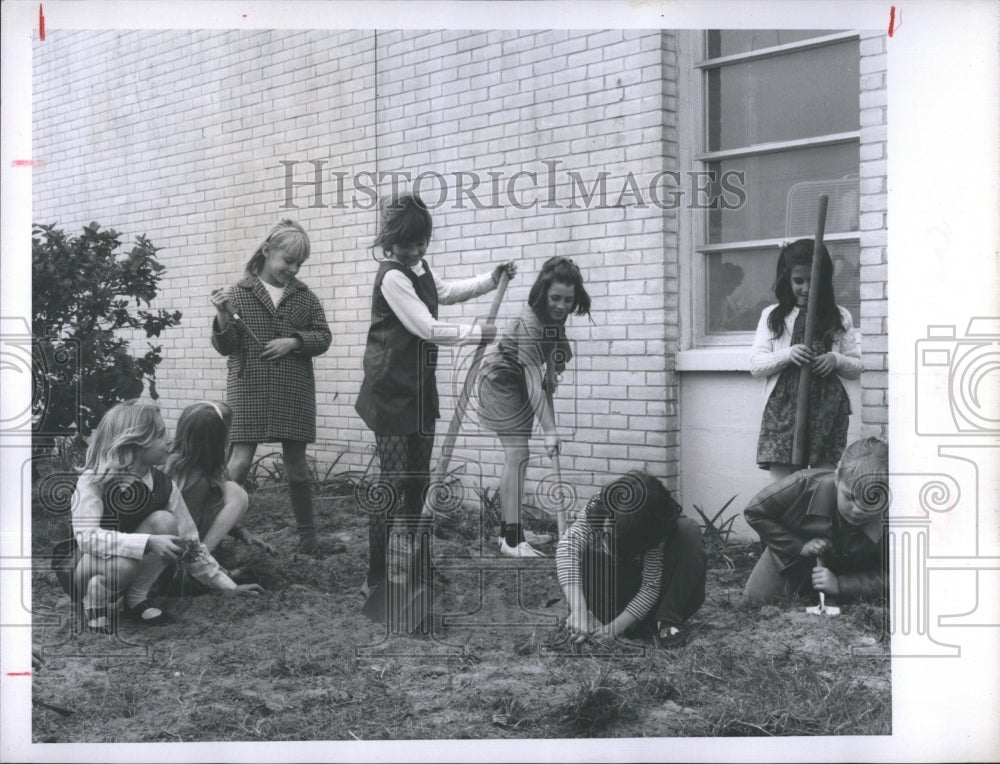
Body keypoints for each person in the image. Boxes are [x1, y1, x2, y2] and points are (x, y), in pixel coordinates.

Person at [354, 193, 515, 600]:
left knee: (420, 481)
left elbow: (444, 291)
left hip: (419, 389)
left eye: (421, 243)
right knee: (393, 482)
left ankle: (420, 568)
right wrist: (478, 334)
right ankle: (375, 576)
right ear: (389, 241)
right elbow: (426, 327)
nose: (414, 251)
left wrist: (490, 280)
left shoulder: (419, 267)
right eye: (406, 245)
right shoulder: (392, 277)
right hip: (390, 390)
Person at [54, 400, 260, 634]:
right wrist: (148, 542)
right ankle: (94, 603)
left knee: (165, 521)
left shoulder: (165, 486)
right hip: (84, 568)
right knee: (124, 565)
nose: (169, 441)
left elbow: (190, 543)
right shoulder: (95, 480)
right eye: (161, 435)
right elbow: (86, 538)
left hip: (126, 569)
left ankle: (136, 598)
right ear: (136, 443)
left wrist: (228, 586)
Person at [210, 219, 338, 556]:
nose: (293, 270)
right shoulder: (238, 294)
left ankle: (308, 540)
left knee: (297, 467)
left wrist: (293, 342)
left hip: (293, 389)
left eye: (299, 264)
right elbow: (225, 346)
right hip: (248, 387)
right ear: (267, 251)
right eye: (288, 261)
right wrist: (222, 316)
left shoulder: (305, 297)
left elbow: (323, 336)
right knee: (238, 464)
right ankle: (210, 532)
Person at [478, 256, 590, 557]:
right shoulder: (530, 322)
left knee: (519, 456)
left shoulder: (555, 317)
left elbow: (551, 351)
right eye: (555, 298)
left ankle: (511, 531)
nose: (562, 306)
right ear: (543, 293)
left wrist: (552, 371)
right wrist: (550, 431)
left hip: (519, 379)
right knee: (518, 454)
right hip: (500, 380)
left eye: (568, 300)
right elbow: (531, 380)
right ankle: (512, 540)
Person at [749, 239, 862, 483]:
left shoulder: (839, 316)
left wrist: (836, 359)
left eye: (814, 281)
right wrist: (787, 354)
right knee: (784, 487)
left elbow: (856, 367)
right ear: (786, 280)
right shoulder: (773, 316)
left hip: (827, 409)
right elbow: (756, 365)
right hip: (783, 411)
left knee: (821, 484)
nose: (806, 288)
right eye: (798, 281)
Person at [556, 471, 707, 646]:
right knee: (577, 549)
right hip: (612, 599)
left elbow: (650, 586)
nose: (607, 535)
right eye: (607, 528)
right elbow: (567, 548)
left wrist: (614, 628)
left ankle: (667, 622)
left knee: (688, 530)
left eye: (614, 534)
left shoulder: (654, 522)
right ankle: (587, 620)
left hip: (653, 603)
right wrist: (579, 610)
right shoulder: (603, 504)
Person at [741, 436, 889, 607]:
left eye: (870, 502)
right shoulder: (802, 485)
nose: (857, 510)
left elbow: (899, 576)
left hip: (855, 570)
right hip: (794, 558)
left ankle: (829, 591)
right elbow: (755, 512)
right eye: (849, 497)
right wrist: (799, 546)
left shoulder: (897, 516)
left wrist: (842, 585)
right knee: (756, 599)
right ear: (837, 478)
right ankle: (807, 588)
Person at [163, 400, 270, 557]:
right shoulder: (195, 478)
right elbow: (187, 528)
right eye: (226, 432)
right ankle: (199, 560)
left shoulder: (187, 463)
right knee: (235, 493)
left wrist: (239, 531)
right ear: (214, 439)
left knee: (228, 489)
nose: (229, 439)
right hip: (178, 548)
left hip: (173, 539)